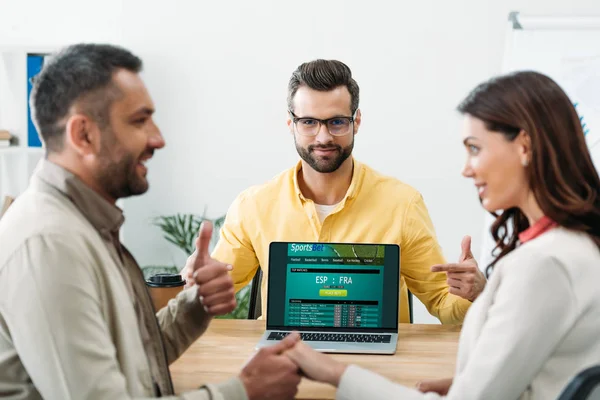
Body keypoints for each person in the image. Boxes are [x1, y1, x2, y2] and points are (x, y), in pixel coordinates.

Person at [0, 43, 302, 400]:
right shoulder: (50, 244)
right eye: (139, 120)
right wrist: (243, 391)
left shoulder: (85, 227)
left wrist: (196, 305)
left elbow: (131, 361)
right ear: (83, 135)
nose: (157, 138)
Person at [282, 71, 600, 399]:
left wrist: (334, 372)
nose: (466, 168)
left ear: (523, 147)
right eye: (309, 122)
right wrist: (464, 385)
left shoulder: (543, 265)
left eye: (475, 148)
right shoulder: (574, 245)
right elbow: (547, 374)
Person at [182, 59, 484, 324]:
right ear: (291, 124)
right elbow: (210, 298)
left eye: (337, 122)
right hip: (282, 363)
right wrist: (195, 285)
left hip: (376, 370)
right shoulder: (254, 206)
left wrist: (475, 294)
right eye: (309, 122)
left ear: (357, 121)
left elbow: (444, 304)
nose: (323, 136)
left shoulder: (402, 204)